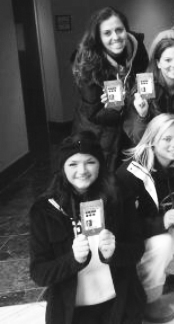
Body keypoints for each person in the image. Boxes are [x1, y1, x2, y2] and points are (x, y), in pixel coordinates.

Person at [30, 132, 145, 324]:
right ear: (62, 168)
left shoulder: (119, 198)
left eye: (90, 162)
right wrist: (72, 259)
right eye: (73, 164)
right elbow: (39, 273)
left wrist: (114, 252)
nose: (82, 170)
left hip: (121, 305)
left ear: (100, 164)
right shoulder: (44, 211)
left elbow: (137, 249)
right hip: (72, 313)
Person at [117, 114, 174, 323]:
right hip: (137, 241)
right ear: (152, 140)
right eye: (166, 139)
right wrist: (160, 223)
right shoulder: (130, 174)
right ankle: (150, 299)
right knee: (164, 243)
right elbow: (122, 226)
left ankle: (156, 276)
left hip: (164, 230)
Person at [71, 7, 149, 170]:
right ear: (98, 37)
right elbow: (94, 114)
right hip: (99, 135)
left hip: (129, 127)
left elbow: (142, 81)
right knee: (104, 182)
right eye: (107, 33)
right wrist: (117, 105)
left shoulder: (137, 48)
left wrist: (132, 96)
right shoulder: (88, 63)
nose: (115, 37)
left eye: (119, 30)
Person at [123, 38, 174, 146]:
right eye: (168, 60)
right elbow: (138, 137)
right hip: (148, 151)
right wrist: (143, 115)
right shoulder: (144, 89)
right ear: (158, 63)